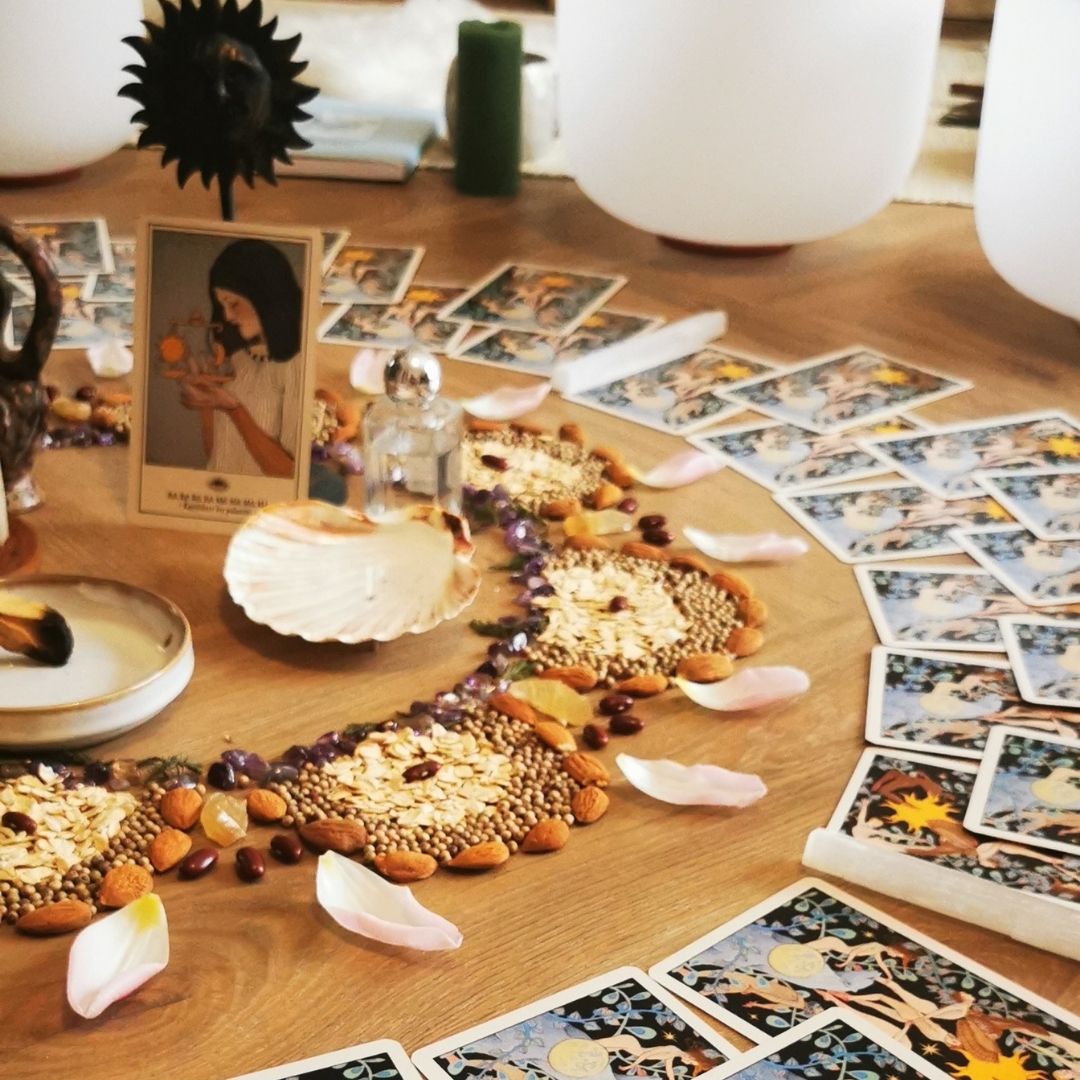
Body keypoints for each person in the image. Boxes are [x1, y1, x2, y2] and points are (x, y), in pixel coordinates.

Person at [179, 239, 303, 478]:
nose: (228, 315)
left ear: (264, 295)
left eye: (233, 304)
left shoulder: (295, 366)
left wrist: (235, 410)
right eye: (222, 305)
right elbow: (217, 457)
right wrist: (207, 401)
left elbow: (289, 475)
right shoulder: (237, 361)